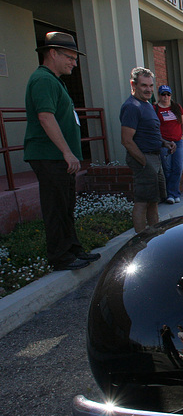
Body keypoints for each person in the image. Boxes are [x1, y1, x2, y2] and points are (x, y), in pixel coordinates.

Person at [24, 31, 101, 271]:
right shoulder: (43, 79)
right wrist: (67, 152)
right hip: (50, 156)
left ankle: (73, 249)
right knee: (56, 207)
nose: (74, 63)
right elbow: (45, 117)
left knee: (66, 205)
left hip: (59, 157)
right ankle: (60, 257)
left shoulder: (55, 80)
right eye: (70, 57)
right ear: (53, 53)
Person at [120, 67, 175, 233]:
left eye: (151, 86)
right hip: (144, 159)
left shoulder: (147, 105)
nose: (148, 89)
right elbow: (126, 140)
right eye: (144, 85)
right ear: (133, 84)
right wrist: (144, 162)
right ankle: (140, 242)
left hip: (155, 158)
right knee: (142, 202)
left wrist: (165, 143)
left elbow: (149, 132)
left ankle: (154, 236)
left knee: (153, 201)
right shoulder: (131, 106)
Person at [154, 85, 183, 204]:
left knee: (178, 167)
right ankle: (170, 194)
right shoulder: (155, 109)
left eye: (168, 94)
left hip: (178, 142)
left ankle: (174, 192)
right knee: (167, 168)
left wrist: (182, 137)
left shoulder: (176, 107)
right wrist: (163, 141)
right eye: (163, 94)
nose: (166, 97)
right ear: (159, 95)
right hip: (164, 143)